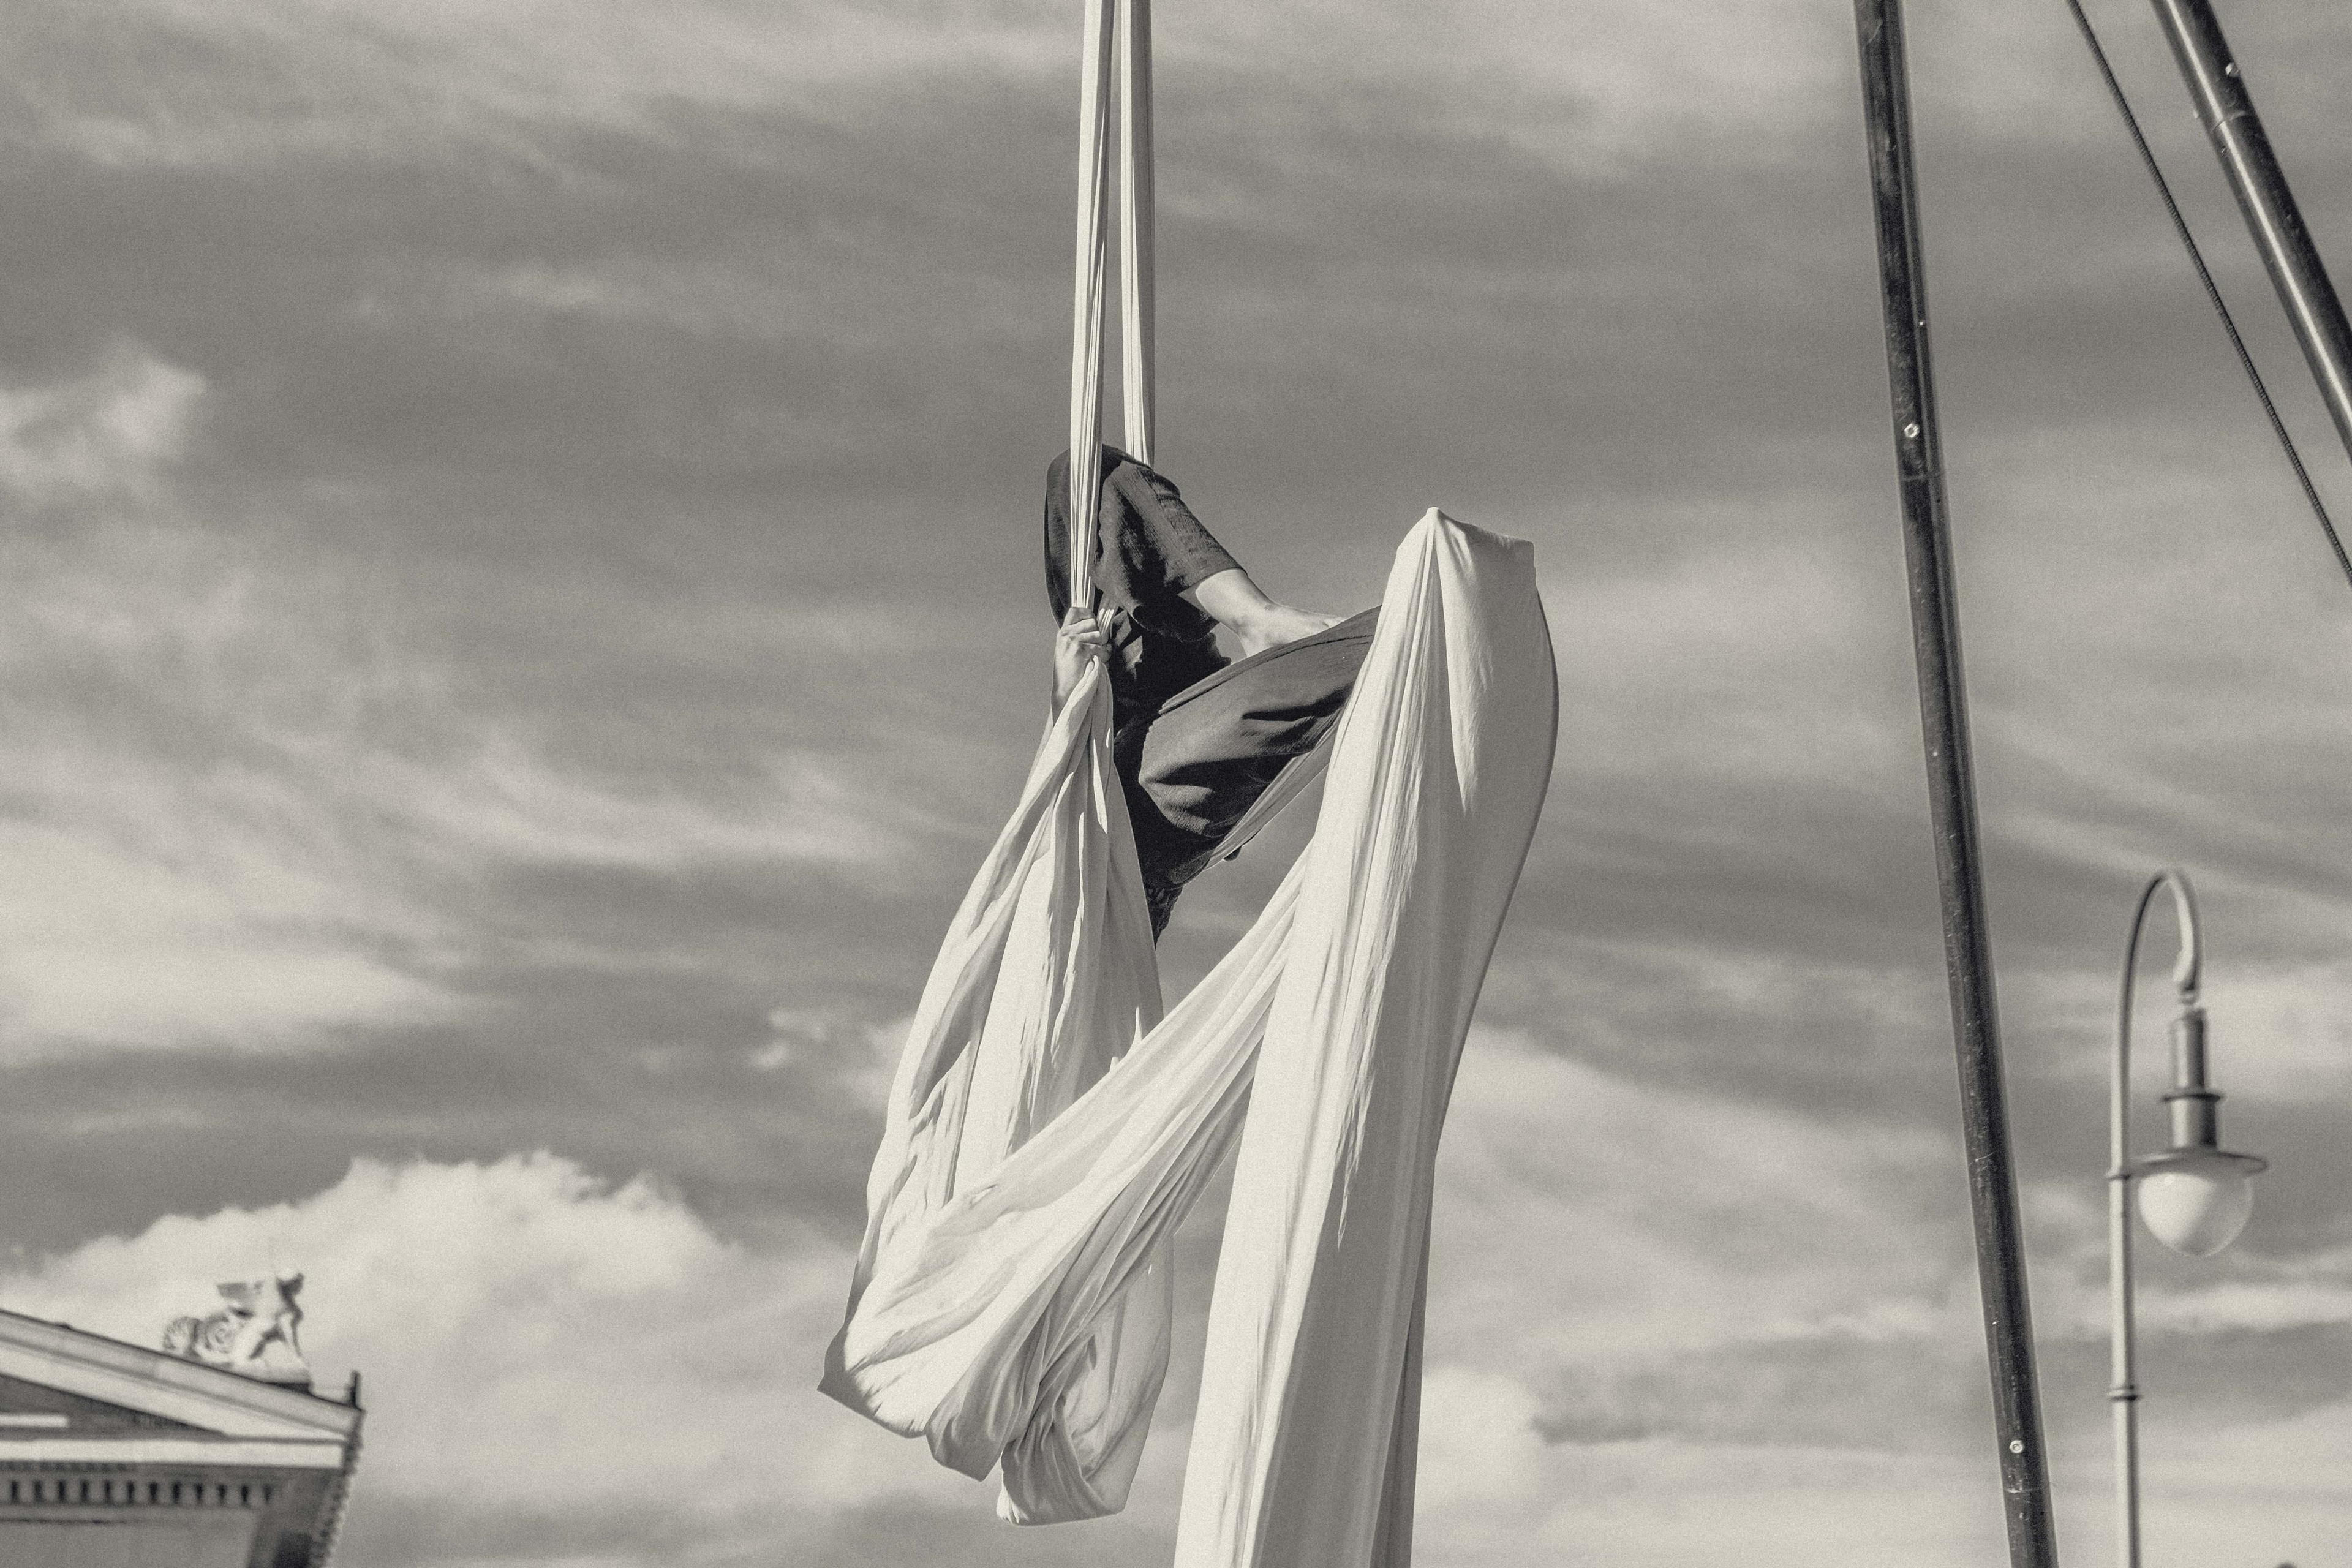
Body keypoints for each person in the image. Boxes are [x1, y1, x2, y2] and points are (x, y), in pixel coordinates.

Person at [1043, 447, 1376, 935]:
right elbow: (1063, 839)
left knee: (1083, 477)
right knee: (1400, 635)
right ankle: (1418, 622)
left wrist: (1071, 696)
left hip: (1125, 724)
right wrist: (1068, 701)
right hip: (1135, 818)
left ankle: (1255, 618)